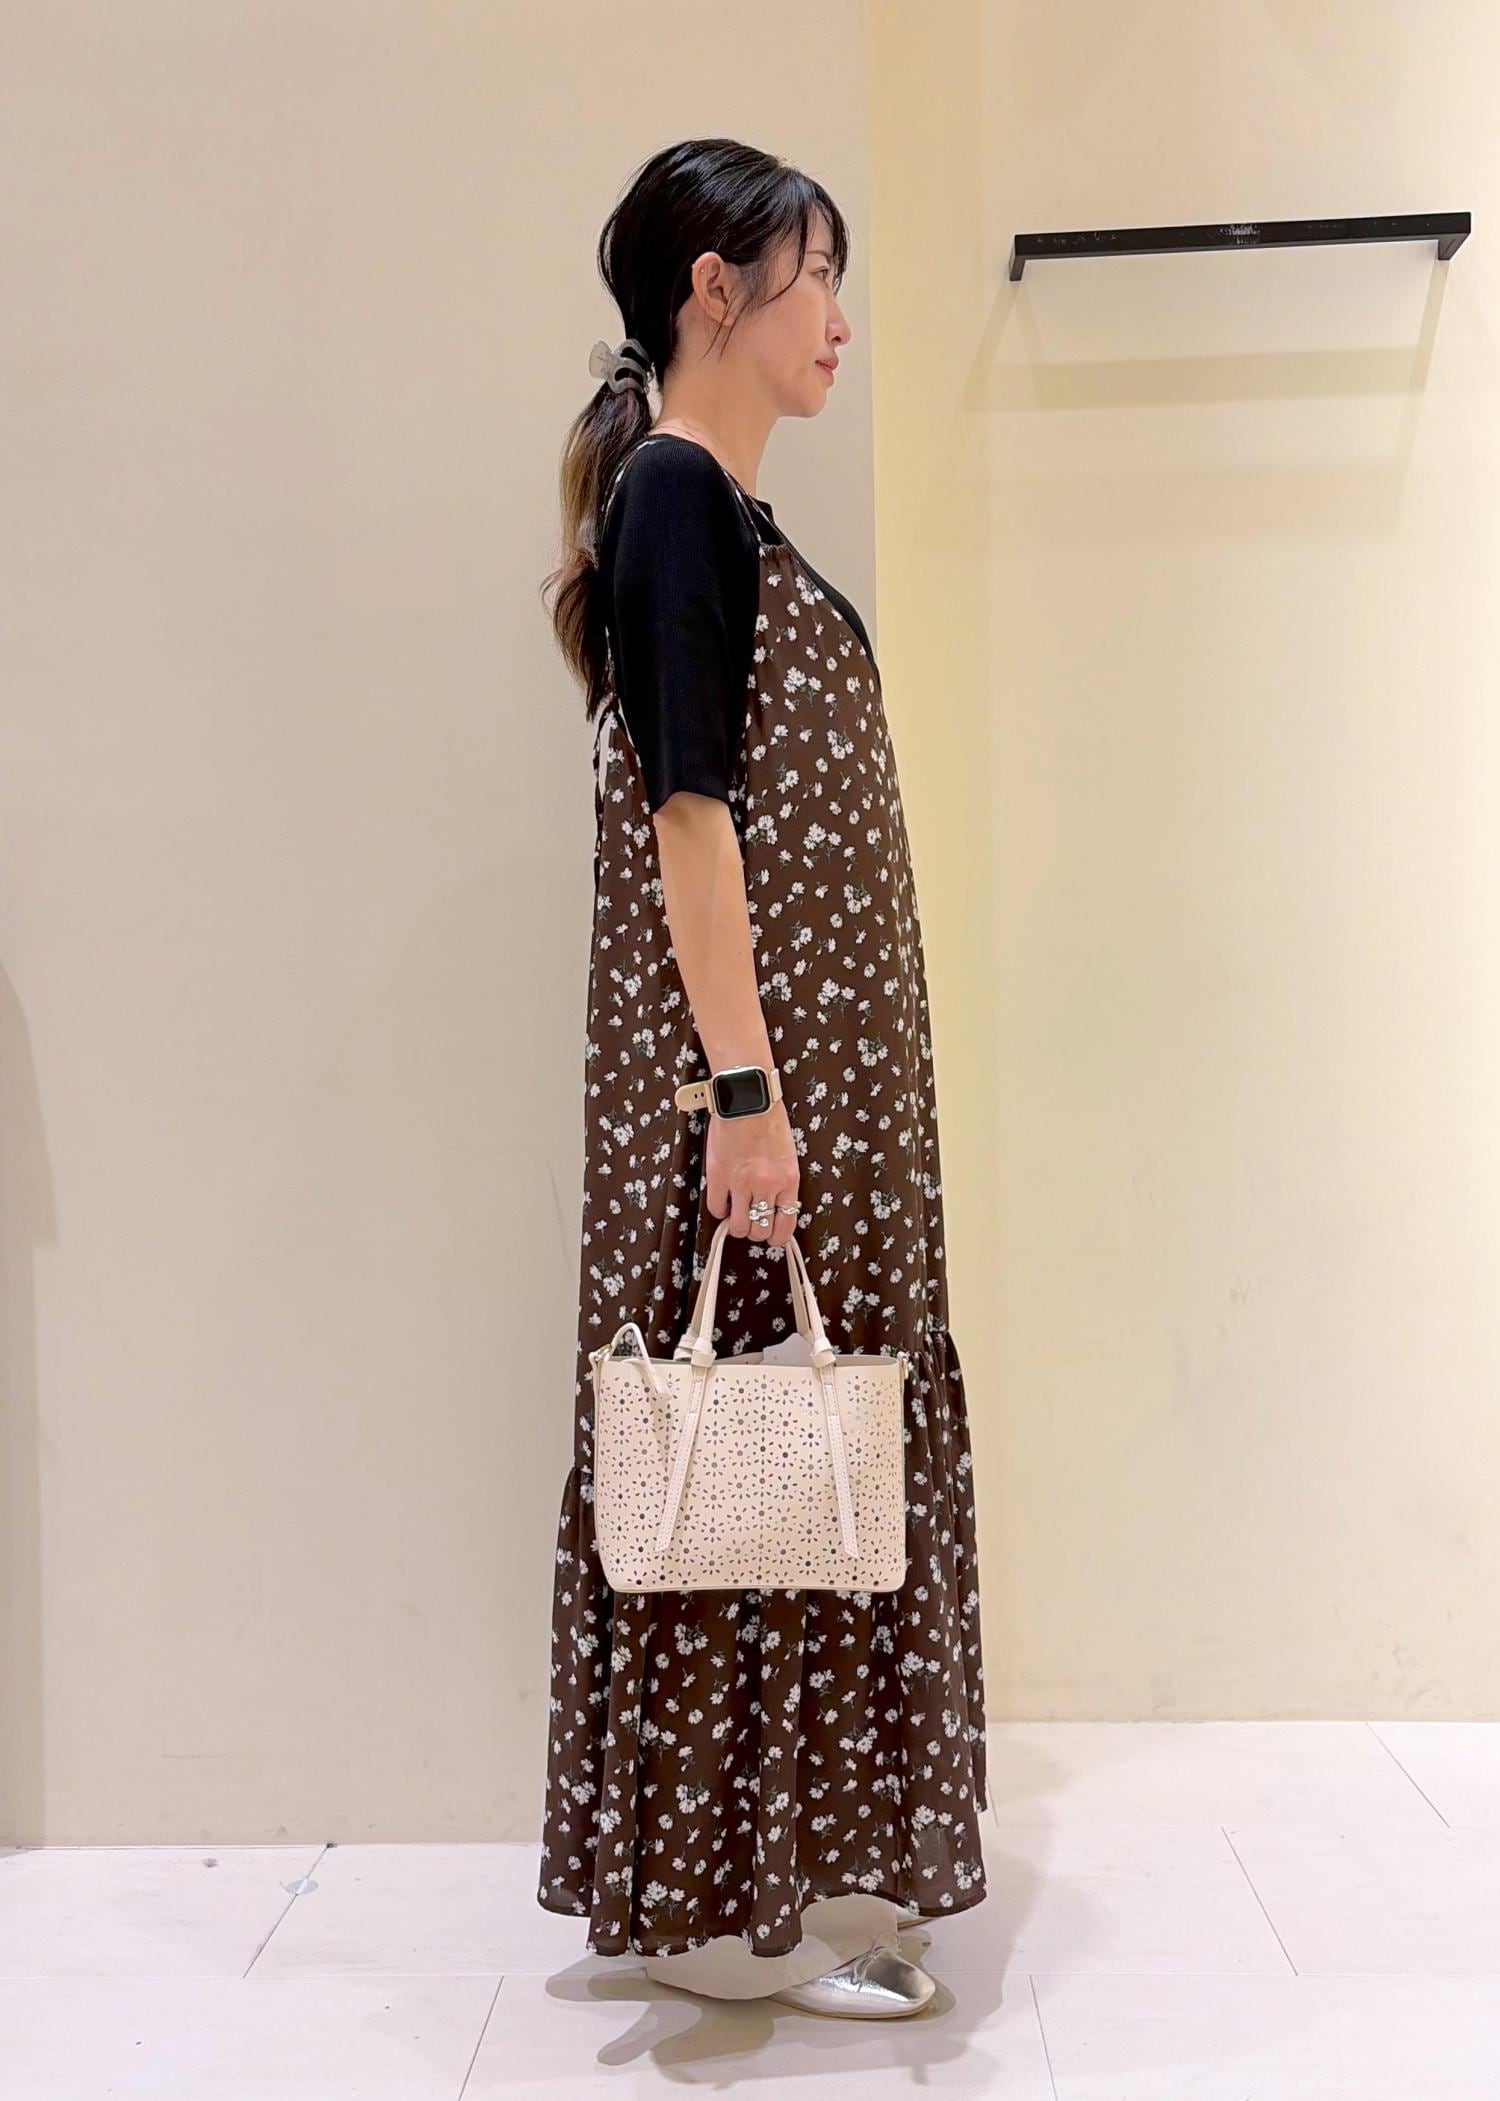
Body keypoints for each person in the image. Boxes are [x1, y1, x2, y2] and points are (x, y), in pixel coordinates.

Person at [537, 138, 988, 2018]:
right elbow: (690, 818)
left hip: (808, 1100)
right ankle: (738, 1925)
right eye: (817, 279)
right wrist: (747, 1097)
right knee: (749, 1466)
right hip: (753, 1106)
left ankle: (771, 1878)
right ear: (714, 291)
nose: (841, 322)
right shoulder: (676, 494)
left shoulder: (719, 507)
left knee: (793, 1462)